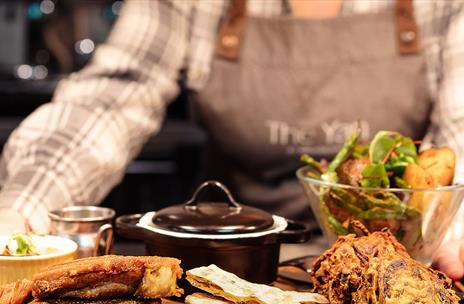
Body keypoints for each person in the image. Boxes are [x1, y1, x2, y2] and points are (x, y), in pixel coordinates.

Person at [0, 0, 463, 277]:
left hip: (401, 264)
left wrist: (452, 224)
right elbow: (113, 97)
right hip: (231, 270)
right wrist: (22, 209)